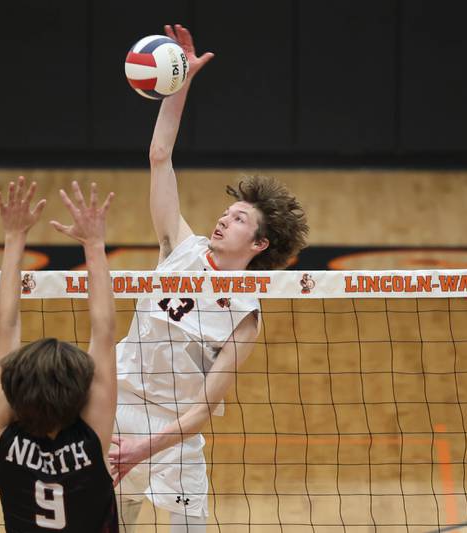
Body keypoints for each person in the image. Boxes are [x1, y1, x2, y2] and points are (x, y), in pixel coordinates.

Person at [108, 25, 309, 532]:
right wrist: (181, 85)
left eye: (239, 219)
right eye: (228, 211)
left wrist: (146, 448)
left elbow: (203, 410)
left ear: (259, 245)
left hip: (173, 434)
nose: (224, 219)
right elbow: (159, 157)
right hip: (116, 407)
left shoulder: (246, 316)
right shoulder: (179, 247)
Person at [0, 177, 119, 532]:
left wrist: (14, 237)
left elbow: (5, 326)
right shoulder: (92, 437)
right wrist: (94, 243)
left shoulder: (6, 437)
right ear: (80, 392)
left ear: (14, 389)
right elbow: (104, 332)